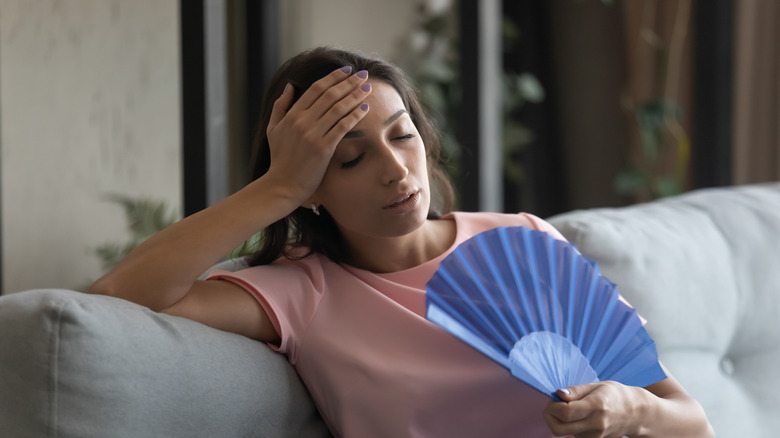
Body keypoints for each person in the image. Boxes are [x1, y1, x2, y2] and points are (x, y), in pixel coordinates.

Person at [90, 46, 714, 438]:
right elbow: (121, 293)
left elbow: (693, 423)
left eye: (402, 134)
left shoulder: (523, 240)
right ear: (310, 186)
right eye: (350, 159)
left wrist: (627, 411)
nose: (394, 169)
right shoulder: (302, 293)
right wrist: (277, 187)